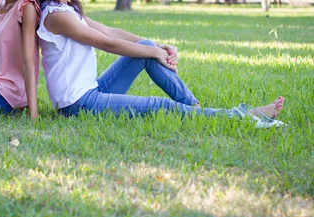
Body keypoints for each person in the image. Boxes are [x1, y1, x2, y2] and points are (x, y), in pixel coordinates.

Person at [36, 0, 285, 127]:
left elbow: (111, 32)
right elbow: (107, 44)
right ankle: (238, 116)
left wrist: (156, 47)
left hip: (93, 91)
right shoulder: (56, 16)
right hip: (77, 104)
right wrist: (154, 53)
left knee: (144, 45)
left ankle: (194, 109)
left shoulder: (69, 10)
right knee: (159, 105)